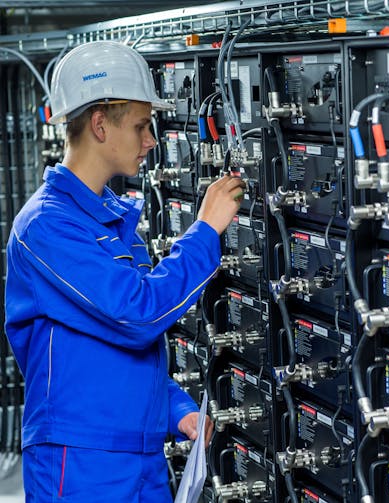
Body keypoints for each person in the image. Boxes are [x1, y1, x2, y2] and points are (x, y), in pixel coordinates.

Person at [4, 41, 245, 502]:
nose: (151, 140)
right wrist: (205, 232)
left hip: (140, 460)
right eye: (140, 125)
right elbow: (137, 317)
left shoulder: (112, 222)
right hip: (79, 466)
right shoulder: (47, 228)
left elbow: (112, 353)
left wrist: (177, 410)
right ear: (100, 125)